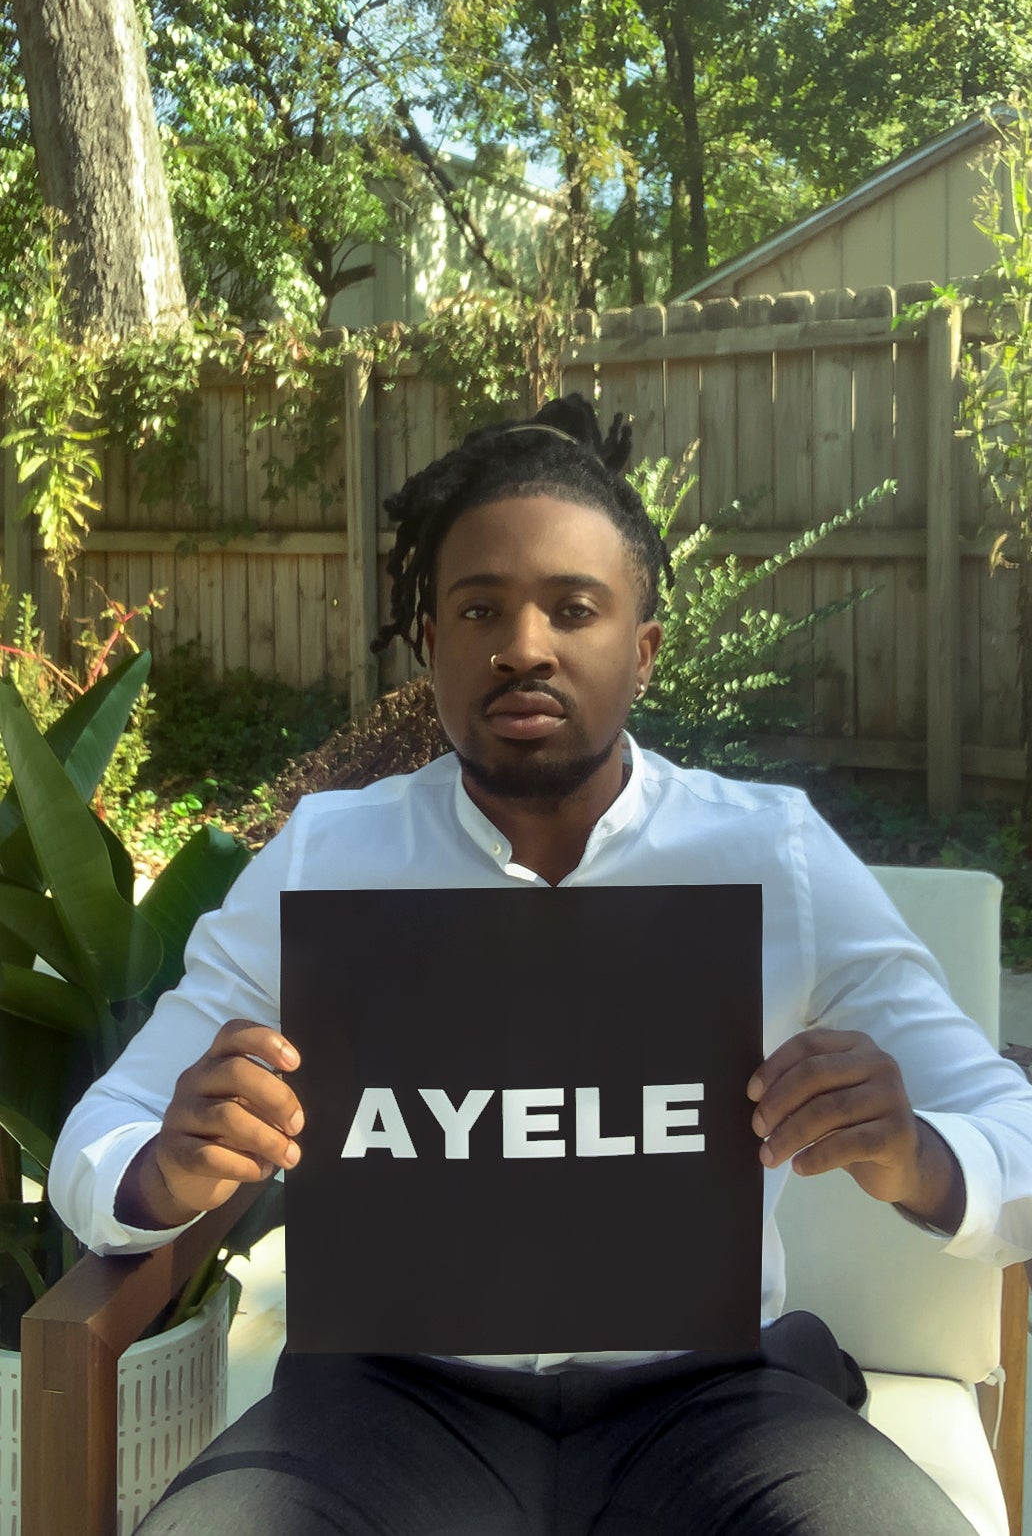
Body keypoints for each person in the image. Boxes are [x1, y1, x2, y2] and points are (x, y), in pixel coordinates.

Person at [51, 395, 1032, 1535]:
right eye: (480, 610)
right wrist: (166, 1170)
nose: (524, 646)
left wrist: (918, 1156)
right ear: (431, 648)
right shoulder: (325, 857)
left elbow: (1012, 1135)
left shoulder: (775, 854)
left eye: (574, 608)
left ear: (642, 651)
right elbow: (100, 1136)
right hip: (381, 1406)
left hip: (711, 1403)